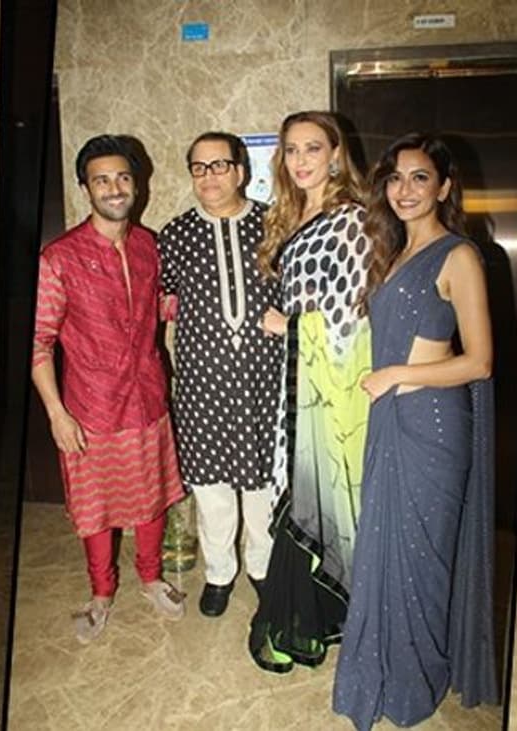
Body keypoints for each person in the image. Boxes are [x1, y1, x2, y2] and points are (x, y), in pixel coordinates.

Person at [332, 133, 498, 729]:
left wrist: (398, 374)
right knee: (385, 553)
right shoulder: (394, 253)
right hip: (390, 420)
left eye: (420, 177)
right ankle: (383, 672)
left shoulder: (459, 256)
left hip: (433, 426)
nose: (405, 190)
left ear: (444, 188)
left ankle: (414, 684)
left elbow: (480, 362)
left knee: (423, 561)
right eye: (396, 178)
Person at [31, 134, 187, 643]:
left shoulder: (148, 246)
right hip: (91, 408)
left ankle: (151, 579)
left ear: (135, 185)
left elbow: (158, 306)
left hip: (147, 398)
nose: (114, 188)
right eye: (102, 180)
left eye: (122, 178)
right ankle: (101, 593)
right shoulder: (60, 258)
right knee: (96, 506)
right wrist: (57, 413)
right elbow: (38, 342)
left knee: (151, 496)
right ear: (86, 188)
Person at [248, 110, 371, 672]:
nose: (300, 160)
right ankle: (316, 616)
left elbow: (355, 317)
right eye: (291, 150)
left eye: (312, 148)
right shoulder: (293, 213)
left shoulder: (351, 220)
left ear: (336, 154)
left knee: (316, 494)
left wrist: (290, 326)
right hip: (297, 377)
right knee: (300, 491)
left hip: (330, 386)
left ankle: (297, 620)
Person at [157, 132, 281, 617]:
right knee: (211, 490)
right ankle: (219, 574)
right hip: (202, 384)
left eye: (219, 165)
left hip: (263, 383)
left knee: (262, 488)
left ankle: (263, 569)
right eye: (199, 167)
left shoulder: (274, 226)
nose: (208, 176)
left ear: (241, 171)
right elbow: (162, 301)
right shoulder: (175, 235)